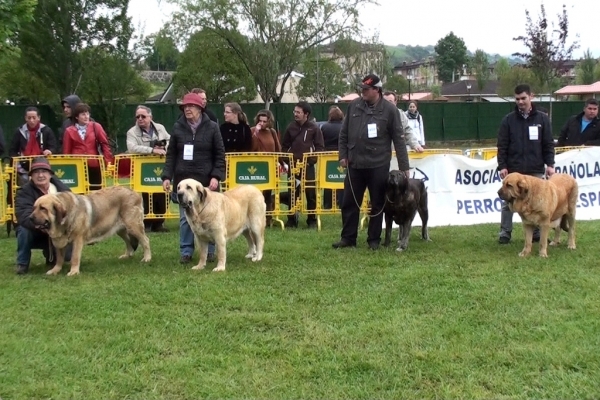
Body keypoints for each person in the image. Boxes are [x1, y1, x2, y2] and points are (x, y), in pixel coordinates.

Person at [332, 74, 410, 250]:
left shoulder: (390, 110)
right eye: (362, 89)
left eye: (366, 89)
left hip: (378, 164)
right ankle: (348, 238)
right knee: (349, 202)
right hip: (355, 163)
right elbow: (343, 133)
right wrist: (343, 155)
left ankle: (373, 240)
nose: (363, 92)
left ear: (377, 90)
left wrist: (404, 167)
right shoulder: (354, 105)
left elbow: (399, 139)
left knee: (377, 203)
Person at [161, 93, 225, 264]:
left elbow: (220, 154)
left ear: (200, 109)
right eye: (184, 107)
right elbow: (171, 155)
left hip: (206, 181)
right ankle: (186, 250)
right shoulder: (177, 127)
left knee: (210, 217)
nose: (187, 109)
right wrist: (167, 176)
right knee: (185, 217)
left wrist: (216, 176)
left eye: (191, 106)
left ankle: (211, 251)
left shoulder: (212, 127)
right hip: (183, 180)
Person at [497, 83, 555, 244]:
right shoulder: (508, 120)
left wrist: (550, 164)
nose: (520, 102)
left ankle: (537, 233)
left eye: (523, 98)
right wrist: (502, 166)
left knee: (536, 201)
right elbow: (502, 145)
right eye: (517, 99)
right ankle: (505, 232)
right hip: (513, 170)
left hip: (535, 169)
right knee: (507, 202)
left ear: (531, 96)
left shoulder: (542, 119)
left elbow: (548, 144)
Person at [14, 157, 72, 274]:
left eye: (44, 172)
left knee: (67, 258)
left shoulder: (62, 189)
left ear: (50, 174)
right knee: (23, 230)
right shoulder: (24, 192)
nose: (40, 175)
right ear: (31, 176)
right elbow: (24, 216)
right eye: (36, 172)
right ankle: (22, 264)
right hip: (36, 230)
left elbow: (72, 210)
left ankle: (52, 256)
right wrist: (44, 226)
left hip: (59, 230)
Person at [126, 105, 171, 232]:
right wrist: (152, 150)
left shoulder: (160, 128)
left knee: (162, 194)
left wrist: (165, 148)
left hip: (161, 166)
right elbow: (132, 148)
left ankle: (159, 223)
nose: (140, 119)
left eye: (143, 116)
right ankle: (146, 223)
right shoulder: (132, 132)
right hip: (143, 169)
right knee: (145, 195)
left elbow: (170, 139)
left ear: (150, 117)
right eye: (137, 116)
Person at [280, 101, 324, 228]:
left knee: (310, 193)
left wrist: (311, 161)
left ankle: (312, 220)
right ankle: (292, 220)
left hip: (308, 166)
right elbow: (284, 146)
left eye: (298, 112)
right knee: (292, 192)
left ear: (306, 114)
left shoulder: (314, 128)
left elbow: (320, 147)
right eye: (294, 111)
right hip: (293, 166)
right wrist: (287, 160)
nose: (295, 114)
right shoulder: (290, 127)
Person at [62, 103, 114, 191]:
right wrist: (68, 168)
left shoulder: (96, 126)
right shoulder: (69, 130)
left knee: (96, 191)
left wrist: (108, 162)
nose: (86, 116)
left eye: (87, 113)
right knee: (79, 191)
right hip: (77, 166)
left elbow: (105, 144)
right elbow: (67, 151)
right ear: (76, 117)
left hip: (94, 164)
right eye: (83, 114)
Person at [250, 109, 282, 225]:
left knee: (268, 194)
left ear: (269, 121)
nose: (262, 123)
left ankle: (268, 218)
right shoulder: (253, 130)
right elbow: (251, 147)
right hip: (257, 167)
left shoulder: (272, 132)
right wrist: (256, 133)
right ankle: (255, 218)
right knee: (256, 194)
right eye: (260, 121)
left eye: (265, 121)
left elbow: (277, 149)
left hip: (271, 166)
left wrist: (282, 163)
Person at [320, 106, 345, 209]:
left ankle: (327, 204)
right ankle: (341, 202)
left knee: (327, 180)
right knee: (341, 179)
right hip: (341, 156)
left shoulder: (324, 127)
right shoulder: (344, 127)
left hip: (327, 157)